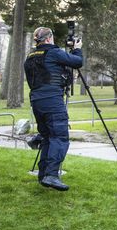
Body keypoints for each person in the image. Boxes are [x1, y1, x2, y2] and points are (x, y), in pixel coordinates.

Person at [23, 26, 83, 191]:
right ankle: (51, 175)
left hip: (36, 101)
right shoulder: (54, 53)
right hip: (52, 101)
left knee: (47, 137)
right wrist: (77, 50)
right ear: (48, 39)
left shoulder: (30, 57)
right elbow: (77, 62)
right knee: (59, 136)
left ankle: (44, 176)